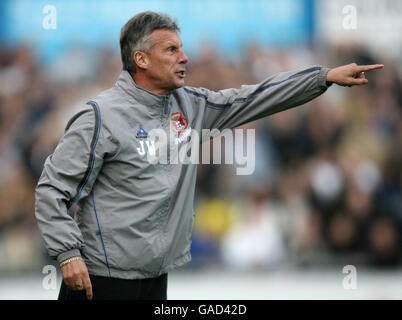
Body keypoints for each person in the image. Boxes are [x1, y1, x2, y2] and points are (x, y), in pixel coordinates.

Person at [34, 11, 384, 300]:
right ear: (141, 59)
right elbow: (52, 189)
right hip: (100, 278)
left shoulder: (192, 105)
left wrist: (323, 78)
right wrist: (68, 253)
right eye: (171, 50)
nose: (184, 57)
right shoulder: (100, 116)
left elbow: (255, 96)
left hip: (154, 276)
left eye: (181, 48)